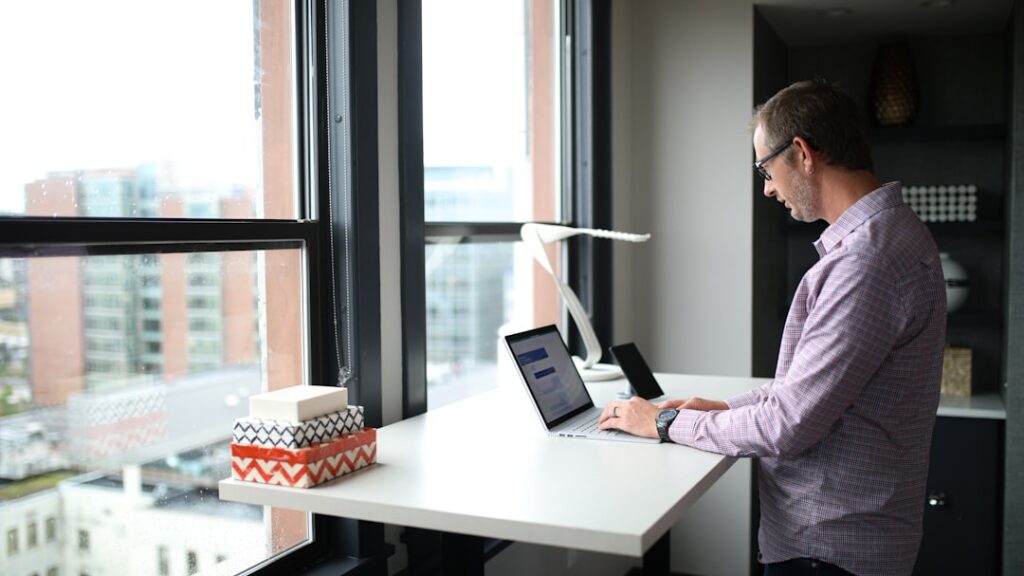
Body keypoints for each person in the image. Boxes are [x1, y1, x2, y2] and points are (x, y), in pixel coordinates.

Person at [598, 79, 946, 576]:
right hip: (853, 538)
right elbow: (804, 394)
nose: (766, 187)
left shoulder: (865, 263)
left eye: (765, 167)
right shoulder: (895, 234)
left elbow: (787, 424)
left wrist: (662, 423)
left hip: (828, 549)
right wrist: (721, 408)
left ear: (802, 153)